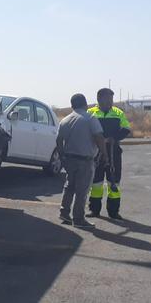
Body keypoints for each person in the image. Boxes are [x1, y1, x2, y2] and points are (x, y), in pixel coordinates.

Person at [57, 93, 108, 228]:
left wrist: (63, 157)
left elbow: (58, 141)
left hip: (69, 159)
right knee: (82, 191)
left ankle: (64, 212)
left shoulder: (65, 120)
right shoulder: (90, 118)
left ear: (72, 105)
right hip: (85, 160)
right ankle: (78, 219)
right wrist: (104, 154)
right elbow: (99, 137)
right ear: (85, 104)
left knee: (69, 187)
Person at [87, 88, 132, 220]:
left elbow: (126, 129)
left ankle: (113, 212)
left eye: (111, 99)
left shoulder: (118, 113)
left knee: (114, 181)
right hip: (96, 153)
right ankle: (94, 210)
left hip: (114, 153)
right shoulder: (91, 113)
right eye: (107, 99)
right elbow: (86, 130)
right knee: (96, 182)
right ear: (99, 99)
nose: (110, 102)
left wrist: (114, 138)